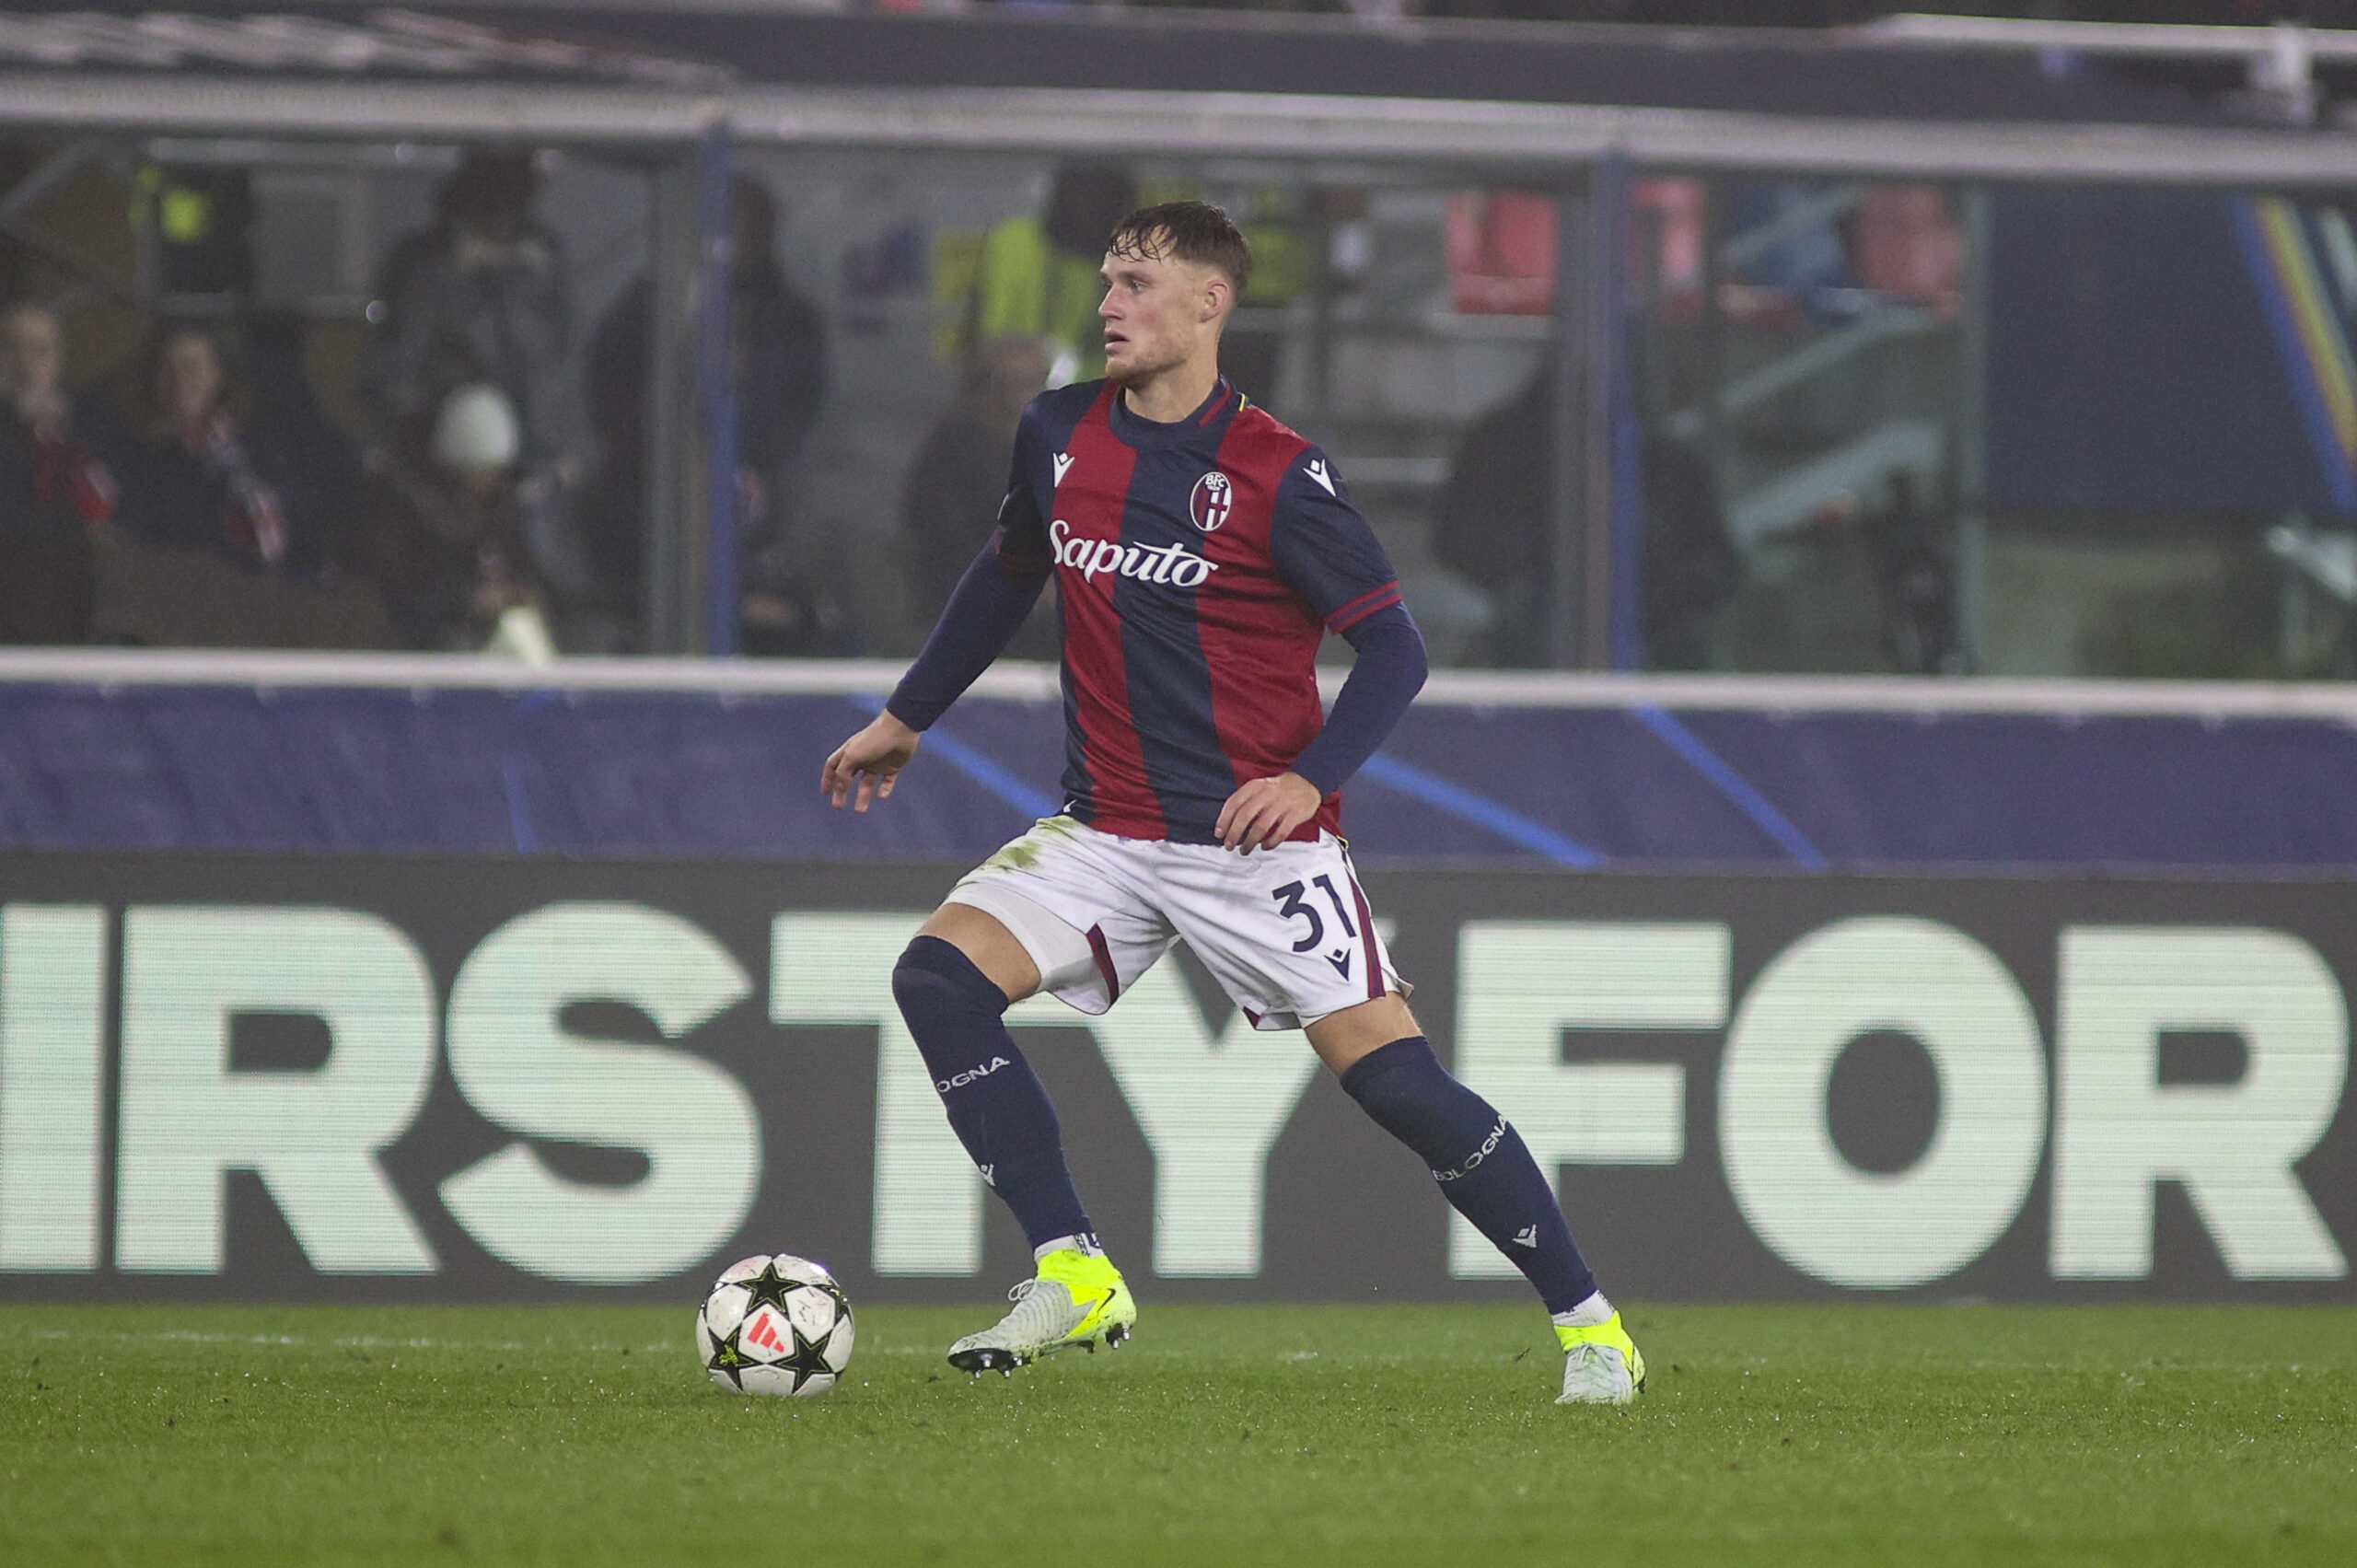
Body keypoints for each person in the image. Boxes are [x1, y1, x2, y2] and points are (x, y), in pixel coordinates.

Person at [823, 201, 1644, 1407]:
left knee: (1399, 1086)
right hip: (1104, 826)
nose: (1109, 304)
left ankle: (1591, 1325)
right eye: (1106, 280)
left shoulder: (1278, 472)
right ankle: (1074, 1265)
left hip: (1253, 842)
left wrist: (1311, 776)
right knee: (937, 978)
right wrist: (910, 712)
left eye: (1139, 283)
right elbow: (1007, 576)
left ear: (1210, 304)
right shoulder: (1054, 431)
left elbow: (1397, 652)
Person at [899, 331, 1055, 656]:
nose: (1033, 390)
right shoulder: (955, 448)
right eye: (1019, 381)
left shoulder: (1056, 443)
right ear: (991, 387)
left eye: (1038, 379)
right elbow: (945, 533)